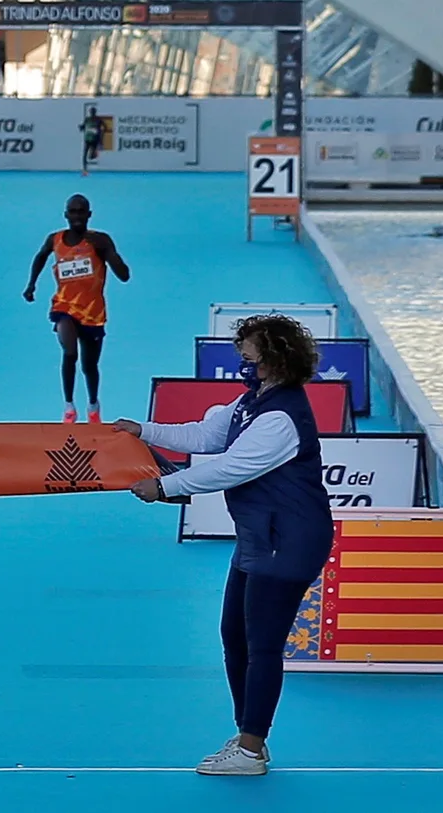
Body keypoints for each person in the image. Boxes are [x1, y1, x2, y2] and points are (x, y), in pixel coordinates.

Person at [111, 314, 332, 777]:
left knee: (263, 645)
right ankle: (247, 735)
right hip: (259, 538)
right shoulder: (252, 401)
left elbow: (230, 467)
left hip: (288, 542)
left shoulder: (282, 419)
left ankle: (252, 749)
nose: (242, 365)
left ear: (275, 359)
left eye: (249, 358)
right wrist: (144, 432)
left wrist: (165, 488)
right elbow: (205, 435)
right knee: (235, 639)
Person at [23, 194, 130, 423]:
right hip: (64, 307)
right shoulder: (55, 239)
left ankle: (93, 404)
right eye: (73, 211)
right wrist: (31, 284)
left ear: (89, 214)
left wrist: (109, 254)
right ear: (66, 215)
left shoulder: (99, 241)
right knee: (70, 352)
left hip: (93, 312)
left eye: (81, 211)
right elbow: (40, 257)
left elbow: (124, 276)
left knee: (89, 366)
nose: (77, 216)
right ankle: (69, 406)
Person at [80, 106, 103, 176]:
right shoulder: (87, 119)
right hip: (88, 139)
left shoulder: (98, 120)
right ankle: (85, 171)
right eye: (91, 112)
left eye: (92, 112)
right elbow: (83, 127)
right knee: (85, 155)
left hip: (94, 139)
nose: (92, 113)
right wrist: (81, 127)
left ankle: (94, 153)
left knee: (89, 156)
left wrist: (100, 141)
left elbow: (102, 129)